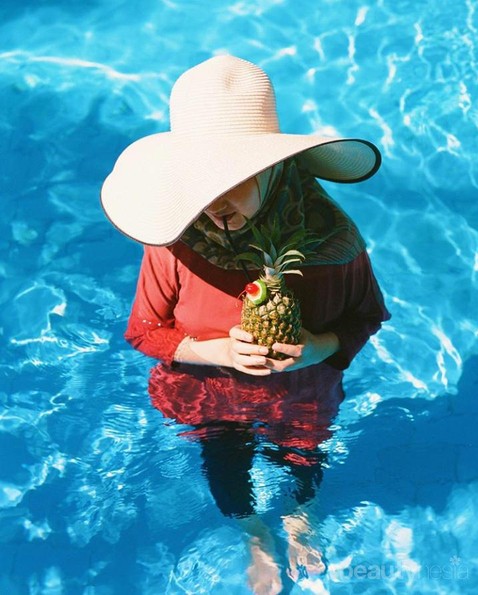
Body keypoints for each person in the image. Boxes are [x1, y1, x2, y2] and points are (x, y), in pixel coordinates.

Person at [101, 55, 390, 594]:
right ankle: (254, 534)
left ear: (276, 168)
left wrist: (318, 346)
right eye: (200, 184)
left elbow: (367, 316)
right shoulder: (175, 241)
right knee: (224, 461)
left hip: (302, 389)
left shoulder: (334, 245)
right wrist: (217, 353)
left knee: (303, 458)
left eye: (233, 181)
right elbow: (144, 331)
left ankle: (301, 518)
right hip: (211, 389)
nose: (215, 205)